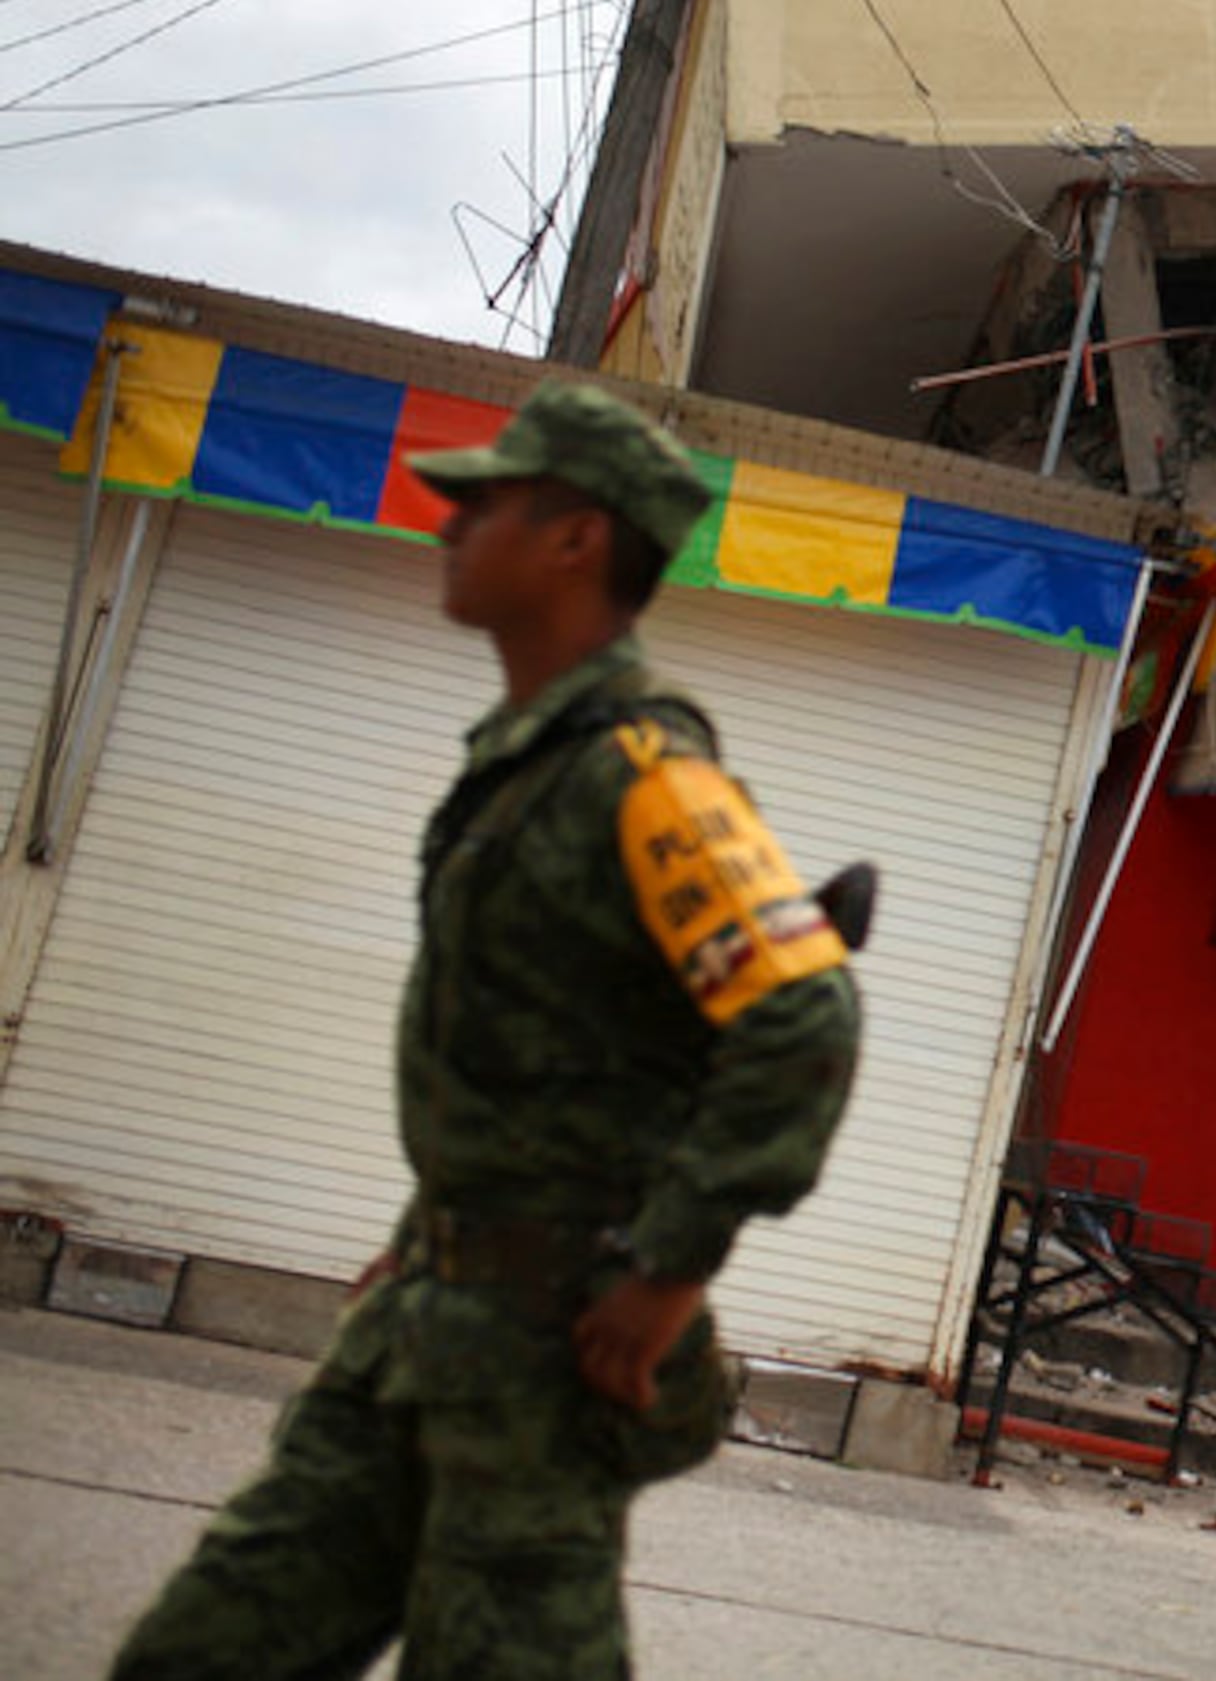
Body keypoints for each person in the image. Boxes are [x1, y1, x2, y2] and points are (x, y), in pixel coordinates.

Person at [111, 380, 864, 1680]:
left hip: (538, 1373)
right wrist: (431, 1237)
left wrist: (669, 1272)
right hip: (422, 1325)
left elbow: (805, 1009)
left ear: (576, 537)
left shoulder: (642, 772)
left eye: (484, 499)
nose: (446, 519)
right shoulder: (527, 758)